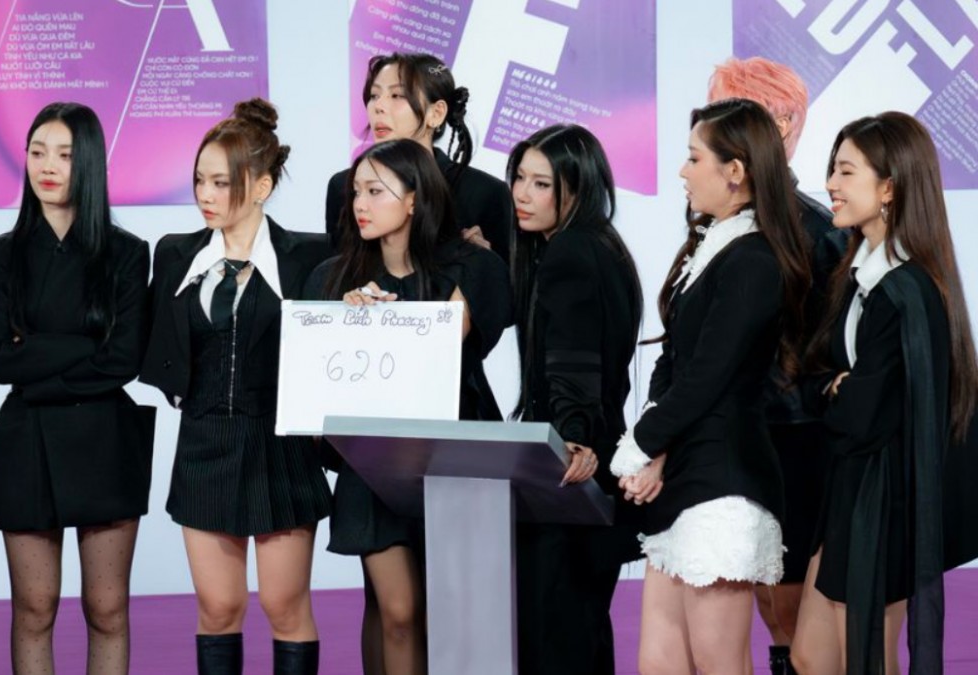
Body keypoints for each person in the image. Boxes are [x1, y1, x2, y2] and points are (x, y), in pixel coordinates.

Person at [610, 98, 810, 675]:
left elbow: (708, 376)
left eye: (694, 158)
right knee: (659, 662)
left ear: (735, 171)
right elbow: (676, 359)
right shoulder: (716, 244)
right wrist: (656, 451)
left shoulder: (754, 260)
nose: (682, 170)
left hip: (725, 480)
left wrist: (642, 444)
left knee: (719, 661)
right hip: (685, 469)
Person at [139, 98, 330, 675]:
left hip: (282, 446)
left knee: (284, 605)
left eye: (222, 182)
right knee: (218, 607)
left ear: (262, 186)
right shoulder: (176, 254)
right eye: (200, 179)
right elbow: (160, 343)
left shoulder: (310, 257)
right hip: (203, 444)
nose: (206, 194)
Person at [309, 138, 511, 675]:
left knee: (453, 614)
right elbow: (319, 377)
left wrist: (385, 324)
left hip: (455, 459)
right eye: (356, 192)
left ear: (415, 198)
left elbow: (440, 348)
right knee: (396, 609)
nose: (360, 204)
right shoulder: (332, 279)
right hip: (371, 461)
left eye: (375, 191)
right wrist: (346, 323)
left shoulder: (475, 267)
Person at [790, 112, 978, 675]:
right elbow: (815, 377)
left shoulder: (907, 289)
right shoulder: (859, 277)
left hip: (886, 500)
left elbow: (862, 414)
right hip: (851, 491)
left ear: (890, 188)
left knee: (866, 660)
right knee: (811, 657)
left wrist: (835, 392)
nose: (830, 184)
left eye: (846, 172)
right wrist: (835, 388)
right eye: (833, 169)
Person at [0, 102, 153, 675]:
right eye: (37, 151)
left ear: (91, 163)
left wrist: (39, 350)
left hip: (105, 440)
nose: (47, 166)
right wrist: (85, 344)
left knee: (107, 608)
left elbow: (123, 360)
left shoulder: (127, 253)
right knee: (34, 607)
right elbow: (2, 360)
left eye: (65, 154)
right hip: (25, 441)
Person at [707, 56, 849, 675]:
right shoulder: (716, 223)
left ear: (783, 124)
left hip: (794, 442)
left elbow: (832, 354)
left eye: (736, 116)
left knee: (792, 613)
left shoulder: (821, 231)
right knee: (762, 610)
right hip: (734, 438)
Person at [506, 124, 644, 674]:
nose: (522, 193)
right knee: (580, 631)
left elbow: (573, 359)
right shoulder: (603, 247)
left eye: (541, 184)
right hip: (597, 460)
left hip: (567, 466)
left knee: (554, 637)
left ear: (578, 188)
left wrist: (574, 435)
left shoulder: (567, 253)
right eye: (520, 178)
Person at [325, 52, 513, 264]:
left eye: (397, 95)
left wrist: (481, 261)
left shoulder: (484, 193)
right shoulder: (343, 186)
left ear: (436, 113)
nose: (378, 106)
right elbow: (338, 272)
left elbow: (504, 278)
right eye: (374, 95)